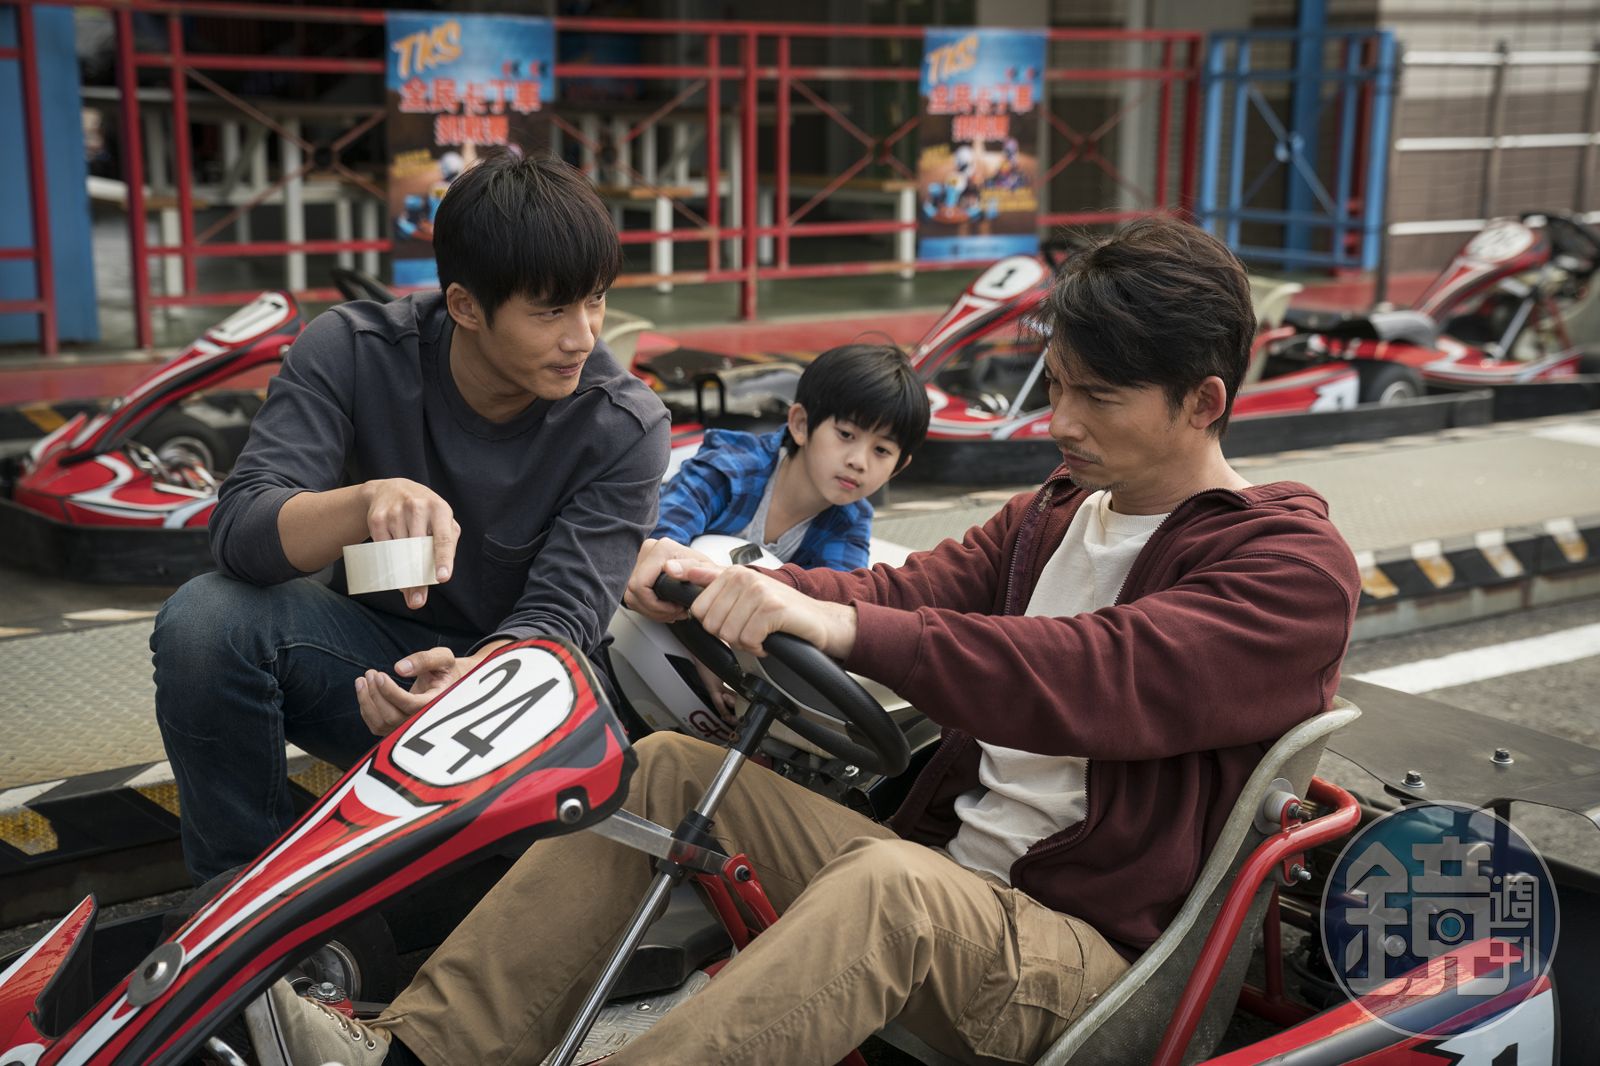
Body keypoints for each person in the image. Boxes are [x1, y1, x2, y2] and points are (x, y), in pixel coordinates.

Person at [253, 216, 1361, 1066]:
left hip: (1090, 962)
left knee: (889, 885)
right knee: (664, 771)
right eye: (1058, 388)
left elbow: (1094, 674)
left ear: (1202, 401)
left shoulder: (1288, 565)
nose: (1059, 422)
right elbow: (903, 588)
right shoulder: (1057, 511)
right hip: (949, 883)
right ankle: (409, 1053)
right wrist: (738, 584)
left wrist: (839, 621)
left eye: (1098, 398)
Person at [151, 149, 670, 885]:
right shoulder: (352, 351)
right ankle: (233, 901)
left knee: (549, 881)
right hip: (373, 683)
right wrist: (363, 501)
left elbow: (561, 618)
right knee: (207, 622)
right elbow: (239, 533)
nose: (583, 336)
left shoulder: (623, 424)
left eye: (595, 300)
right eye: (550, 310)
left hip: (513, 700)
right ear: (465, 306)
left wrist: (469, 692)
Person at [654, 342, 930, 572]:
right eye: (846, 434)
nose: (858, 461)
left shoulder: (849, 522)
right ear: (800, 424)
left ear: (897, 467)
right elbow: (659, 540)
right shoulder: (730, 468)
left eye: (881, 450)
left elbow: (838, 598)